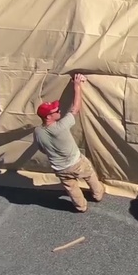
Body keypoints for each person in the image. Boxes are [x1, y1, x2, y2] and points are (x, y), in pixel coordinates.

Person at [33, 73, 105, 213]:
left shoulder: (38, 131)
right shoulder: (61, 126)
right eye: (56, 110)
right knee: (89, 175)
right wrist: (77, 86)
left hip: (59, 168)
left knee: (72, 188)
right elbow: (75, 108)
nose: (59, 110)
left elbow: (41, 149)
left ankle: (81, 207)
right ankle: (98, 194)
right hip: (75, 162)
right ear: (49, 116)